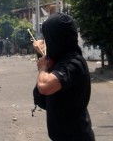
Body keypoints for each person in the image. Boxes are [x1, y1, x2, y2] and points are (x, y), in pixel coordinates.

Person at [33, 13, 95, 141]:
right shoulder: (59, 60)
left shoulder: (73, 63)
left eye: (47, 38)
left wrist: (43, 68)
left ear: (56, 38)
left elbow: (45, 86)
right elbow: (44, 101)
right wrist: (44, 58)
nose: (45, 42)